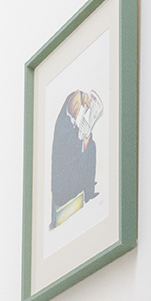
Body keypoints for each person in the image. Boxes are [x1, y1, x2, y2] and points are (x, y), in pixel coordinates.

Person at [50, 89, 100, 228]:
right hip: (63, 184)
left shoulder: (65, 115)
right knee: (90, 148)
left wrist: (84, 97)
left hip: (67, 170)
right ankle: (88, 192)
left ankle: (89, 190)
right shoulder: (64, 125)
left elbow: (73, 97)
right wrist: (83, 143)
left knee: (91, 146)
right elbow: (70, 154)